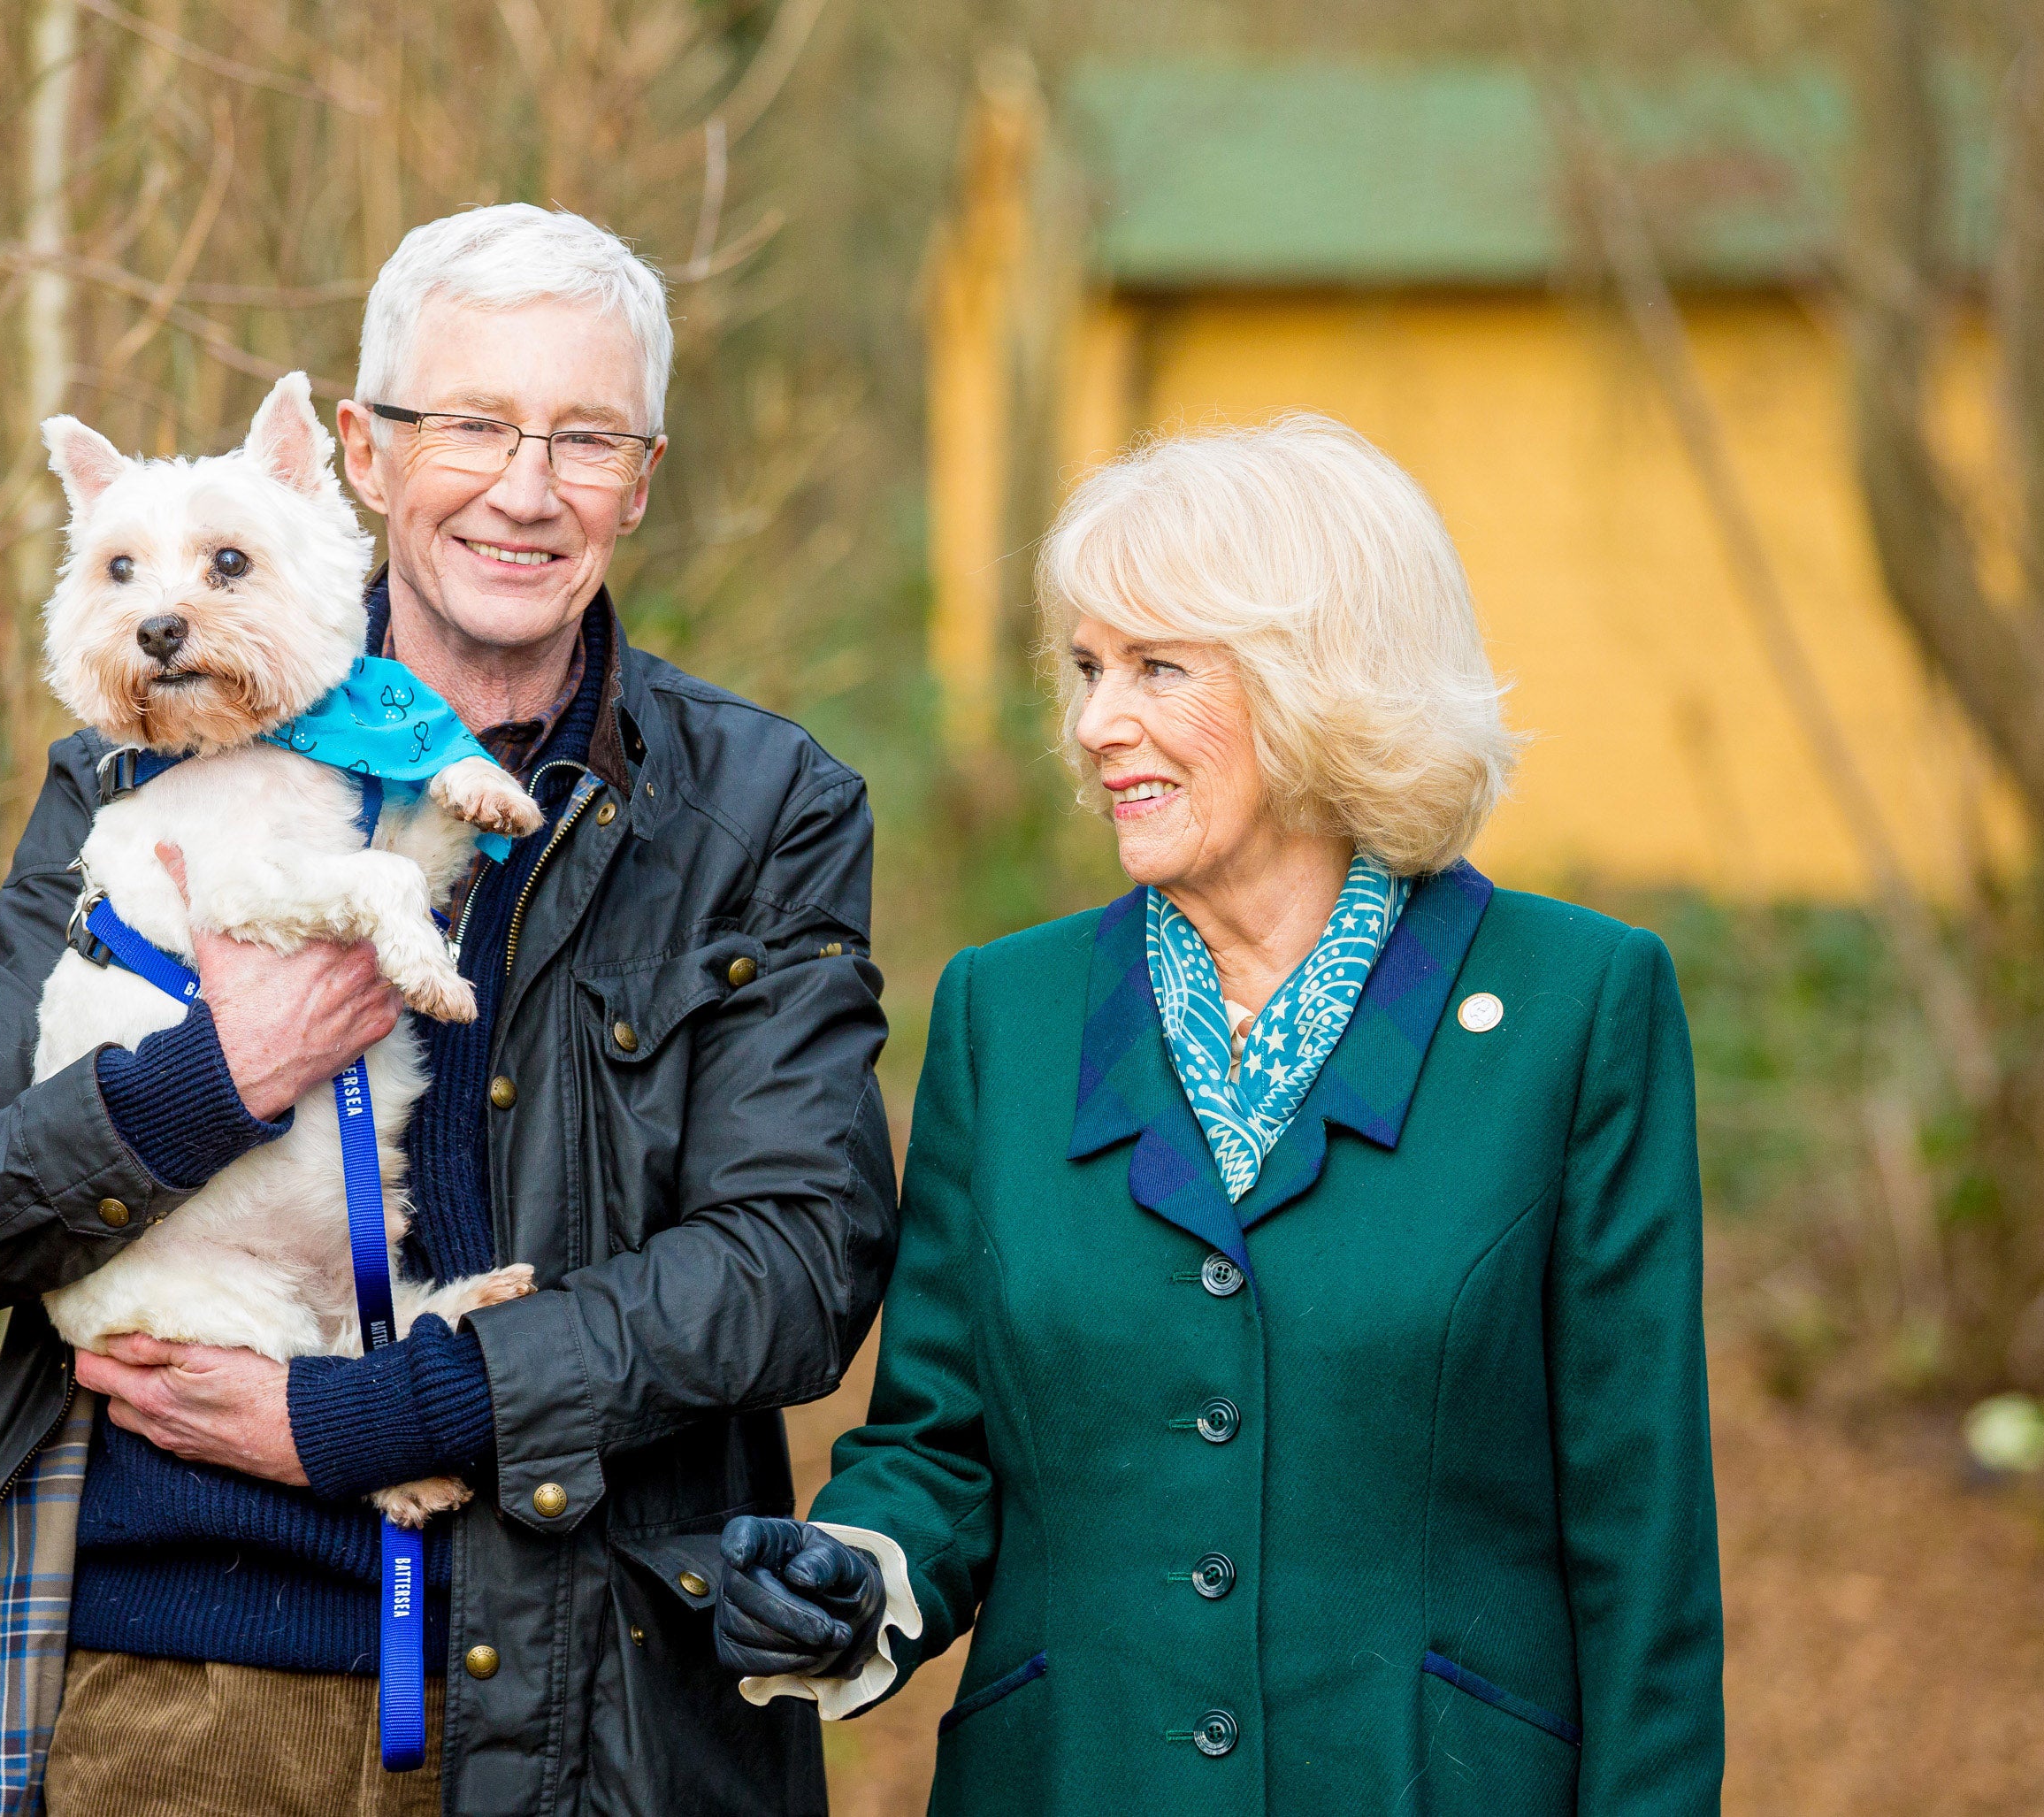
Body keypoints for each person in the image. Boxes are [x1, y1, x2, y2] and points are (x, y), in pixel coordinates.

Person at [0, 204, 894, 1817]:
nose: (525, 489)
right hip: (185, 1697)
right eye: (471, 422)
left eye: (585, 437)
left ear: (643, 480)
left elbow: (797, 1264)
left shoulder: (758, 810)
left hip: (594, 1713)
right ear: (362, 455)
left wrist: (369, 1413)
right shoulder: (138, 770)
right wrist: (213, 1077)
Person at [715, 418, 1725, 1813]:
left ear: (1325, 682)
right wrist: (861, 1573)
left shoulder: (1576, 1004)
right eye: (1084, 669)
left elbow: (1643, 1532)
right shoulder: (1009, 1013)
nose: (1092, 722)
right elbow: (941, 1442)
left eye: (1156, 667)